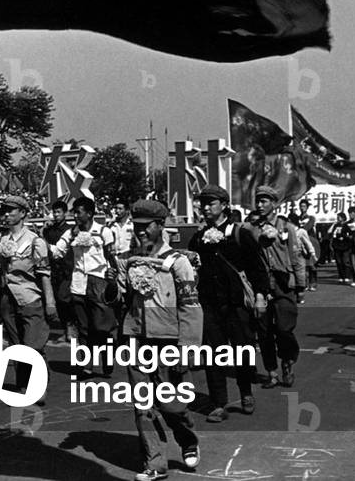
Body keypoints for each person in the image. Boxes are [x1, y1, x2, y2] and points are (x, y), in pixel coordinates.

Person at [114, 200, 202, 481]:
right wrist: (111, 284)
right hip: (136, 338)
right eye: (136, 227)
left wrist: (188, 348)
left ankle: (187, 439)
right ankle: (155, 462)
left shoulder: (179, 263)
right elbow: (120, 299)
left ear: (160, 226)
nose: (140, 232)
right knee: (142, 404)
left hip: (168, 341)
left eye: (146, 227)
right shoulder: (128, 259)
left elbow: (190, 306)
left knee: (171, 403)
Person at [188, 184, 269, 423]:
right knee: (213, 354)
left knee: (242, 350)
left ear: (224, 205)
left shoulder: (239, 233)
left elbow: (257, 267)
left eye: (210, 203)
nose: (205, 208)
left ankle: (245, 392)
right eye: (203, 203)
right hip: (210, 304)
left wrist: (261, 295)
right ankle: (218, 403)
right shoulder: (198, 238)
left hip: (236, 304)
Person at [0, 195, 56, 394]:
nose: (5, 215)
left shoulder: (35, 241)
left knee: (33, 345)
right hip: (7, 297)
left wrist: (50, 303)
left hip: (30, 297)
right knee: (16, 345)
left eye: (11, 211)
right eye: (3, 211)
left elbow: (44, 274)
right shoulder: (0, 238)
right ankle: (23, 383)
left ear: (22, 213)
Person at [50, 197, 117, 378]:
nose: (76, 216)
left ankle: (107, 356)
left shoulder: (104, 232)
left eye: (79, 212)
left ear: (89, 213)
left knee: (101, 326)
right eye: (74, 212)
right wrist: (41, 245)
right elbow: (58, 251)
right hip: (78, 284)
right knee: (84, 327)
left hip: (99, 283)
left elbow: (111, 258)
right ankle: (87, 365)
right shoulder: (71, 233)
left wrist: (113, 281)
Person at [253, 187, 305, 389]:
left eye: (265, 201)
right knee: (264, 331)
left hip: (284, 283)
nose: (260, 205)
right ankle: (271, 371)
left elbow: (296, 257)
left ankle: (288, 360)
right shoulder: (252, 227)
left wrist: (300, 284)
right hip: (261, 285)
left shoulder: (287, 227)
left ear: (274, 204)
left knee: (284, 328)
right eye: (258, 201)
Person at [42, 200, 75, 342]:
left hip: (67, 269)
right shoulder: (50, 230)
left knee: (65, 298)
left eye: (58, 212)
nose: (56, 215)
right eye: (54, 212)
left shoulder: (70, 230)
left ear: (65, 213)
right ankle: (65, 330)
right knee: (58, 301)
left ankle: (72, 329)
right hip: (53, 269)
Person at [292, 215, 318, 293]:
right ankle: (302, 285)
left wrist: (313, 253)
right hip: (291, 255)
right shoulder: (288, 231)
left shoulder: (301, 231)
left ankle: (308, 285)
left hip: (301, 254)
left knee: (308, 268)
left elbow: (307, 243)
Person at [330, 213, 354, 284]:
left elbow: (350, 234)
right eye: (337, 217)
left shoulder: (347, 225)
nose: (338, 218)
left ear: (343, 218)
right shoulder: (336, 225)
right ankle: (341, 276)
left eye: (339, 217)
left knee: (345, 261)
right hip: (337, 246)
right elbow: (331, 233)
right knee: (339, 262)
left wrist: (345, 237)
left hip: (345, 246)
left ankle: (347, 276)